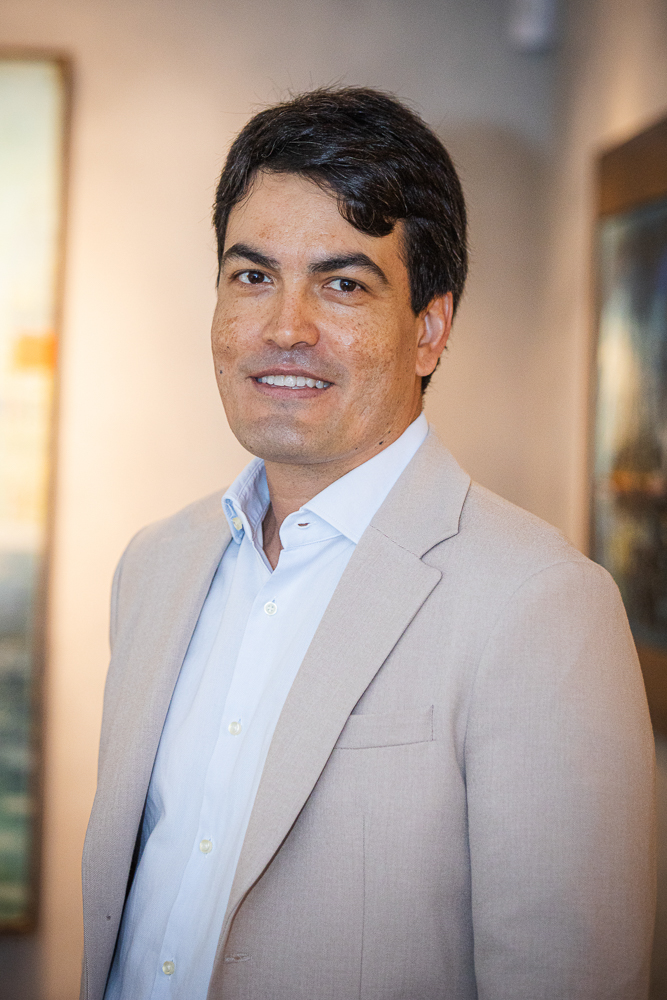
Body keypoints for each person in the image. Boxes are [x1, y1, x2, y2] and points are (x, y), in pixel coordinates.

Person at [81, 88, 656, 1000]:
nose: (285, 329)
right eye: (252, 276)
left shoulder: (543, 607)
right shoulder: (153, 568)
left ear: (429, 328)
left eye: (343, 284)